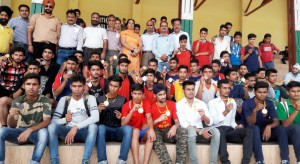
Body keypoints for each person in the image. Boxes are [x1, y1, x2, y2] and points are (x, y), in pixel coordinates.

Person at [0, 73, 51, 163]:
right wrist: (11, 116)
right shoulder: (18, 101)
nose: (31, 87)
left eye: (34, 84)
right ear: (24, 85)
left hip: (36, 135)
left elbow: (46, 121)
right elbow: (12, 125)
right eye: (28, 84)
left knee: (44, 132)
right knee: (2, 131)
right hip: (20, 135)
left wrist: (29, 130)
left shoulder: (45, 100)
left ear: (39, 86)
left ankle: (34, 162)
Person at [49, 74, 99, 163]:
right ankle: (54, 161)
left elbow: (95, 117)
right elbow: (53, 122)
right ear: (70, 87)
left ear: (84, 86)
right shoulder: (64, 99)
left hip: (84, 132)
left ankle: (85, 161)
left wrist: (76, 127)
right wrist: (65, 119)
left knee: (93, 127)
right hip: (67, 132)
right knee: (51, 128)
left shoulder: (90, 98)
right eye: (74, 86)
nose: (77, 89)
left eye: (79, 86)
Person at [241, 81, 290, 164]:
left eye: (264, 92)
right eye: (259, 92)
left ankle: (285, 160)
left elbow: (276, 121)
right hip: (251, 133)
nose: (262, 94)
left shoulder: (269, 103)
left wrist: (269, 127)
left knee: (281, 128)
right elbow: (250, 123)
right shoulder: (247, 103)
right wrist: (255, 111)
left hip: (266, 132)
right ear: (254, 92)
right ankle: (260, 160)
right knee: (255, 128)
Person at [208, 79, 253, 164]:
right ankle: (225, 161)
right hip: (217, 130)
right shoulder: (212, 103)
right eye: (224, 88)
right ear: (218, 89)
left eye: (229, 88)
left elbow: (232, 121)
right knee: (219, 131)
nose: (227, 90)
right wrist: (225, 112)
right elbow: (213, 122)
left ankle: (246, 161)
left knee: (249, 131)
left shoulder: (233, 102)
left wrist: (236, 126)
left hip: (229, 131)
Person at [176, 80, 220, 164]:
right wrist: (200, 131)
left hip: (201, 129)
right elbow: (183, 124)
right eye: (188, 89)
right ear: (183, 90)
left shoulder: (201, 103)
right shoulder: (179, 104)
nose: (191, 92)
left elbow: (210, 122)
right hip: (187, 130)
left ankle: (213, 162)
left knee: (216, 131)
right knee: (191, 131)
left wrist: (204, 116)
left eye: (193, 89)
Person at [96, 75, 133, 164]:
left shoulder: (123, 100)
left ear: (120, 87)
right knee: (100, 128)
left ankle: (122, 160)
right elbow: (95, 121)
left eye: (115, 86)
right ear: (108, 85)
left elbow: (125, 119)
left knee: (128, 128)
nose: (112, 88)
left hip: (117, 130)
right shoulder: (99, 99)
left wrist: (120, 117)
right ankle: (102, 161)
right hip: (105, 131)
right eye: (111, 85)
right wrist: (98, 111)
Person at [151, 83, 188, 164]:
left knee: (183, 131)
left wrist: (174, 127)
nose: (163, 96)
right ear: (155, 96)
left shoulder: (171, 104)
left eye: (164, 94)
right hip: (157, 131)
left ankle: (180, 162)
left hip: (168, 131)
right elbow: (148, 126)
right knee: (155, 136)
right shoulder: (152, 107)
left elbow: (177, 121)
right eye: (160, 95)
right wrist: (157, 120)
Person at [121, 84, 155, 164]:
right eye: (135, 93)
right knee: (135, 130)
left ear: (143, 95)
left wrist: (152, 129)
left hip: (142, 132)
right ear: (131, 94)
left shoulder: (146, 103)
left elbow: (149, 117)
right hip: (132, 134)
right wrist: (132, 111)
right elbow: (123, 123)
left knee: (150, 132)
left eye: (139, 94)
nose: (137, 96)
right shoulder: (126, 106)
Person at [0, 60, 40, 128]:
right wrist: (22, 87)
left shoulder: (43, 79)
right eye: (30, 69)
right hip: (22, 104)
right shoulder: (22, 79)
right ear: (27, 70)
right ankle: (4, 126)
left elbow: (47, 95)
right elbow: (14, 97)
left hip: (38, 103)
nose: (32, 71)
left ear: (39, 70)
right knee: (3, 100)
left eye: (35, 69)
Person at [276, 81, 300, 163]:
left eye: (298, 91)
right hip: (288, 133)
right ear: (288, 92)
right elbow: (285, 124)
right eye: (293, 91)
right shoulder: (282, 105)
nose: (296, 94)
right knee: (293, 127)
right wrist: (297, 109)